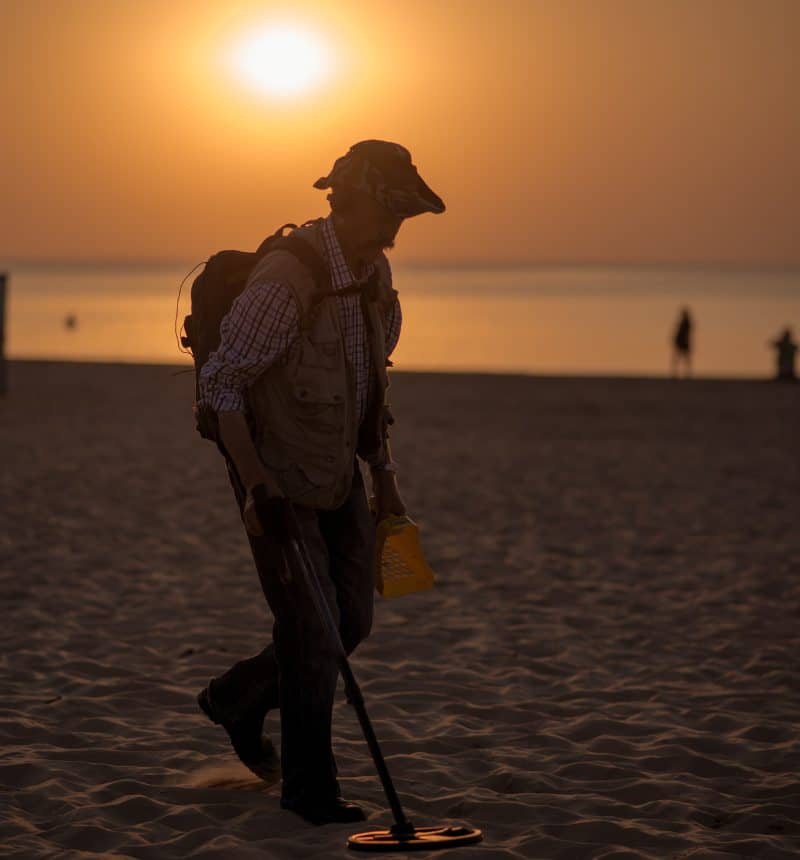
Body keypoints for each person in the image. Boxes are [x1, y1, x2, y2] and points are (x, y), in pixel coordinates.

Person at [195, 140, 445, 825]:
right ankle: (309, 792)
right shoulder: (285, 280)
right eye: (387, 213)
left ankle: (239, 696)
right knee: (312, 631)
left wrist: (385, 479)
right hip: (274, 480)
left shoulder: (376, 279)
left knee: (350, 622)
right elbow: (221, 386)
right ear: (346, 201)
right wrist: (255, 487)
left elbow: (370, 387)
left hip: (339, 476)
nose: (395, 230)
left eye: (404, 217)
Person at [671, 306, 693, 378]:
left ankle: (686, 373)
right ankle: (678, 373)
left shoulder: (686, 323)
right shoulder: (684, 322)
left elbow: (687, 334)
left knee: (684, 358)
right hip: (681, 342)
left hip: (683, 342)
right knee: (680, 358)